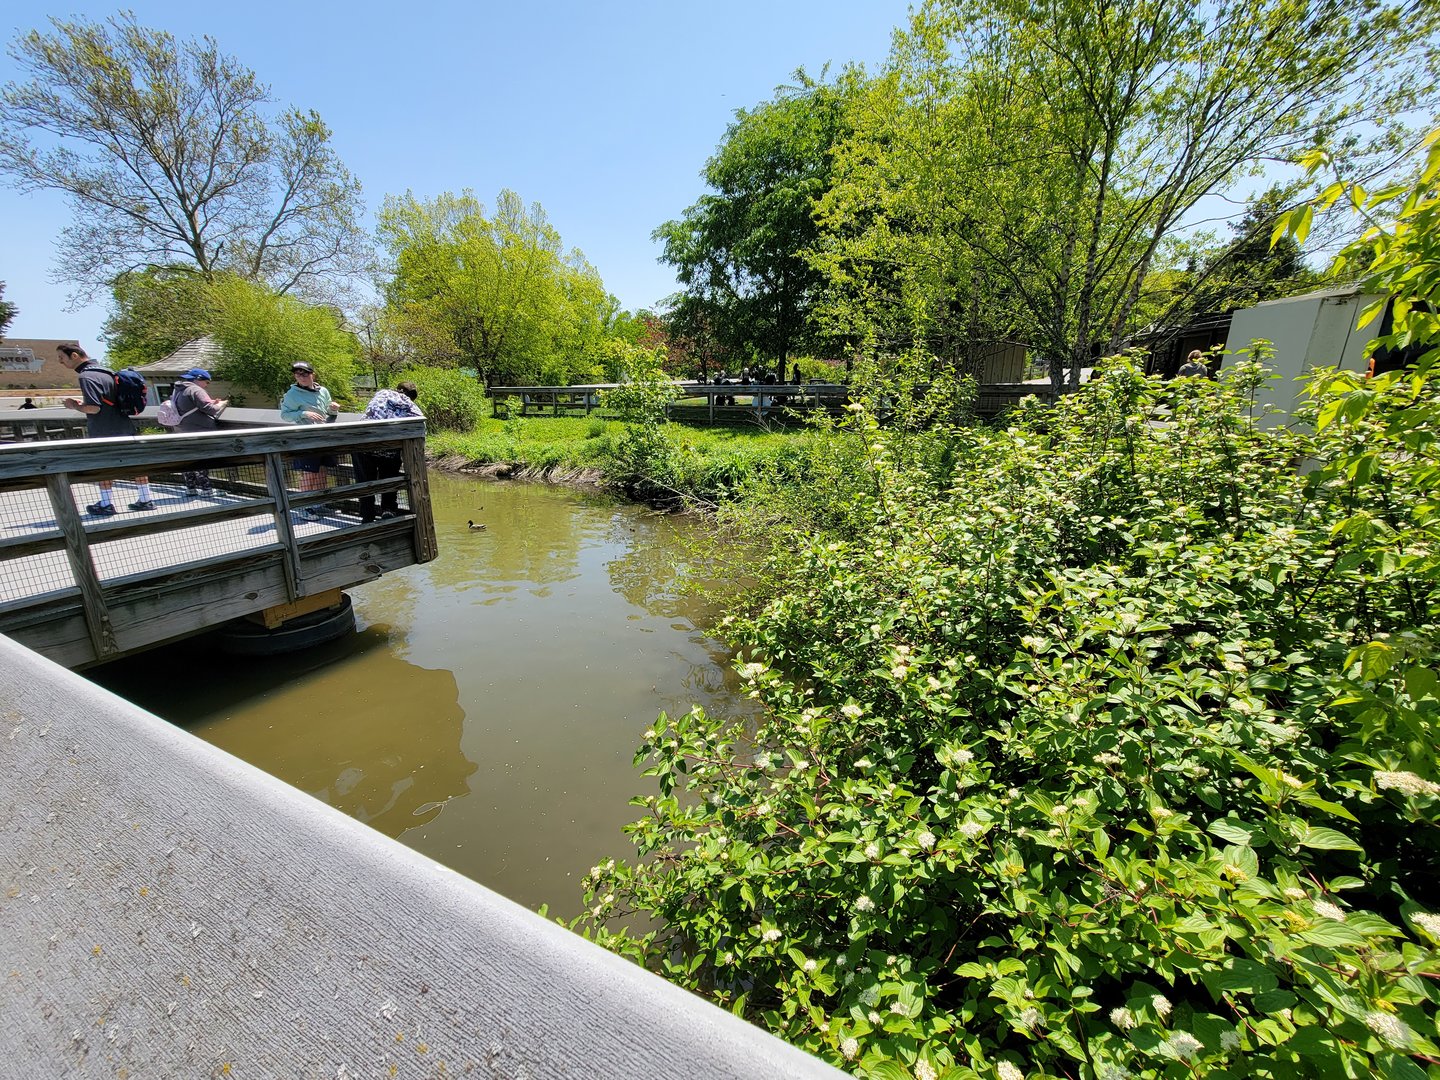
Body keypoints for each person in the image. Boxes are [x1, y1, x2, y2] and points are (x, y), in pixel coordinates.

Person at [55, 343, 155, 516]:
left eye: (61, 358)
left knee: (104, 466)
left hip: (103, 429)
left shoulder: (86, 376)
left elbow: (94, 408)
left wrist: (74, 405)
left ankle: (106, 503)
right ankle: (146, 499)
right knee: (136, 462)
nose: (60, 362)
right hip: (124, 426)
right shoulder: (107, 372)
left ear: (74, 356)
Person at [354, 381, 423, 522]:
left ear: (397, 389)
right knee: (390, 479)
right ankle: (388, 510)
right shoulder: (410, 405)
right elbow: (419, 427)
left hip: (364, 444)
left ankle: (367, 516)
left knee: (365, 481)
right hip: (390, 448)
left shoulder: (381, 395)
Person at [280, 361, 341, 515]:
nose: (301, 376)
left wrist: (333, 409)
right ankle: (304, 508)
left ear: (312, 374)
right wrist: (303, 414)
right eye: (297, 374)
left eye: (305, 373)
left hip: (324, 437)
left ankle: (320, 505)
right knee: (309, 473)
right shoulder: (292, 394)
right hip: (306, 438)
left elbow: (328, 414)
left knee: (321, 471)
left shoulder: (323, 391)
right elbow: (285, 415)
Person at [169, 368, 229, 496]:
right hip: (199, 431)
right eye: (207, 382)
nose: (207, 385)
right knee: (202, 461)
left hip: (182, 430)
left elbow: (191, 406)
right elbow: (210, 409)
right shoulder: (195, 390)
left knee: (188, 460)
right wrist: (221, 404)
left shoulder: (179, 390)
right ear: (199, 380)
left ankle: (190, 488)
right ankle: (207, 489)